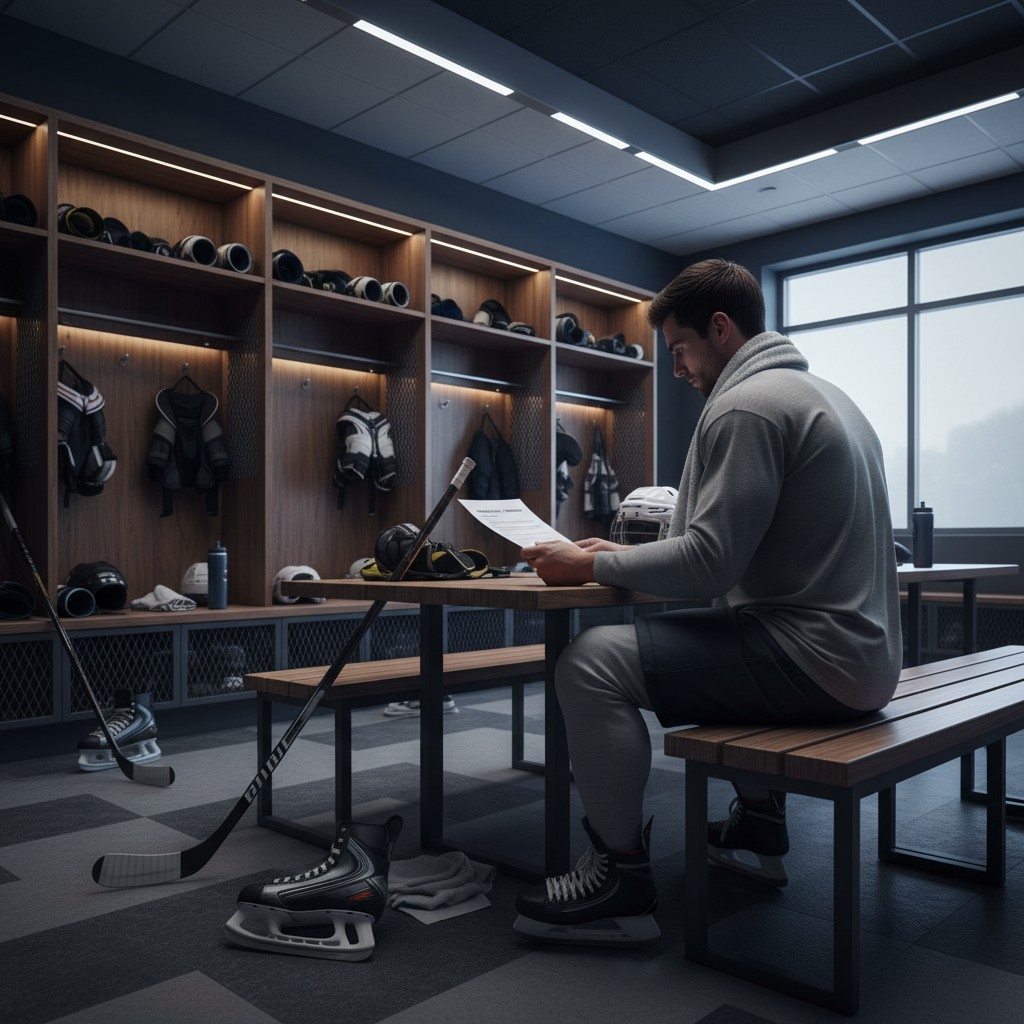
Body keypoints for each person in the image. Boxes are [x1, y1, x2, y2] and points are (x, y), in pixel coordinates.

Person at [512, 258, 902, 945]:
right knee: (716, 627)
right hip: (862, 659)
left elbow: (707, 562)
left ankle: (620, 879)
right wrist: (611, 556)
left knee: (591, 660)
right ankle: (758, 823)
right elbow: (737, 543)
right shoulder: (823, 396)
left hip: (816, 661)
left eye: (681, 350)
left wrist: (584, 568)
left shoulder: (748, 406)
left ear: (721, 330)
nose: (678, 370)